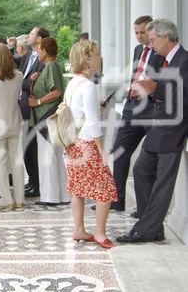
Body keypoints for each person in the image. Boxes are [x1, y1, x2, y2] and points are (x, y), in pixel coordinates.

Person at [117, 19, 188, 243]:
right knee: (140, 170)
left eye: (154, 39)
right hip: (159, 125)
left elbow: (184, 96)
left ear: (166, 37)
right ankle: (153, 227)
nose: (151, 44)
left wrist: (155, 87)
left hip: (173, 129)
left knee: (163, 182)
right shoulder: (167, 60)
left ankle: (146, 229)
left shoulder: (184, 60)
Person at [94, 16, 164, 214]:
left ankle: (146, 209)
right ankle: (117, 200)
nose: (139, 36)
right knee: (119, 152)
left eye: (142, 32)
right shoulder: (137, 50)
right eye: (136, 32)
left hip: (152, 109)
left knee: (146, 163)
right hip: (132, 108)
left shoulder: (161, 53)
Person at [65, 40, 118, 249]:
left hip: (72, 143)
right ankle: (100, 233)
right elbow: (93, 123)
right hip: (87, 144)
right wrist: (102, 150)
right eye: (96, 54)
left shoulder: (73, 83)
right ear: (87, 59)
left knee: (78, 188)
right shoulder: (89, 86)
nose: (100, 58)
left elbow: (80, 114)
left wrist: (97, 109)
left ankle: (79, 229)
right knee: (105, 188)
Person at [28, 37, 69, 206]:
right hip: (47, 117)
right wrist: (33, 80)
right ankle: (61, 195)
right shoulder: (49, 67)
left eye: (39, 48)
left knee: (48, 156)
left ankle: (51, 197)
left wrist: (37, 102)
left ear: (45, 51)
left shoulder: (51, 66)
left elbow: (57, 92)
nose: (37, 51)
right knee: (54, 156)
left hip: (47, 116)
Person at [0, 43, 24, 211]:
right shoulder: (19, 75)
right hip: (14, 122)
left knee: (0, 163)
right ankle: (20, 200)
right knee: (17, 161)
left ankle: (6, 200)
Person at [18, 26, 50, 197]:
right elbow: (22, 79)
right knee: (26, 148)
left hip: (35, 110)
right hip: (22, 107)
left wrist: (25, 83)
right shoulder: (28, 55)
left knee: (34, 148)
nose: (28, 36)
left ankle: (37, 184)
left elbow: (35, 85)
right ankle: (31, 181)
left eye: (31, 34)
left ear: (39, 39)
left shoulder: (44, 60)